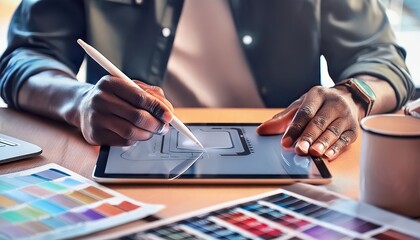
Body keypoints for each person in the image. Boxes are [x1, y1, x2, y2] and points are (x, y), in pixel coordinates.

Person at [0, 0, 414, 161]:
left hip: (291, 166)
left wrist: (354, 94)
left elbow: (380, 57)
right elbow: (24, 58)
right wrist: (79, 103)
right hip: (128, 169)